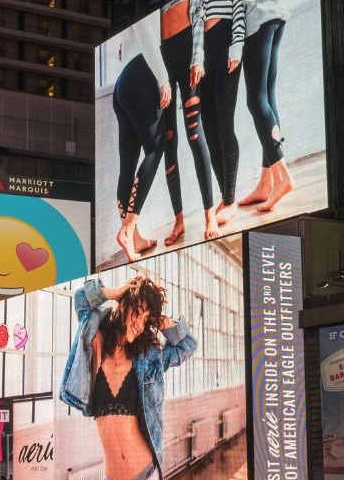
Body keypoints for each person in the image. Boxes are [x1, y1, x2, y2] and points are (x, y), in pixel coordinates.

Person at [60, 276, 197, 480]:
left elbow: (188, 346)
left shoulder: (150, 357)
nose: (140, 325)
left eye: (146, 319)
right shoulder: (94, 339)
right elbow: (81, 298)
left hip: (146, 472)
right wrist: (115, 292)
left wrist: (164, 325)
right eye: (138, 314)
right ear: (124, 305)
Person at [106, 18, 174, 262]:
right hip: (141, 74)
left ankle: (134, 237)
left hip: (122, 85)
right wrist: (163, 78)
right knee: (156, 148)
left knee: (128, 164)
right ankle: (127, 230)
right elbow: (147, 36)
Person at [158, 0, 220, 243]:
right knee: (168, 140)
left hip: (186, 49)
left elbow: (198, 14)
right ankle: (179, 220)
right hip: (162, 58)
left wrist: (197, 58)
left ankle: (209, 215)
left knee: (195, 134)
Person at [235, 0, 294, 212]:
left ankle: (283, 176)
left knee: (256, 101)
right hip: (278, 12)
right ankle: (266, 181)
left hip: (257, 16)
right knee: (267, 97)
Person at [200, 0, 247, 227]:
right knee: (209, 129)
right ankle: (224, 196)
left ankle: (230, 201)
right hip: (202, 50)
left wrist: (237, 44)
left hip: (225, 38)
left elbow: (238, 6)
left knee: (225, 126)